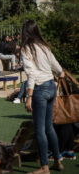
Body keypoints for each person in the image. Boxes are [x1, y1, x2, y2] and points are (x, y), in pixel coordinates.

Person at [21, 20, 64, 174]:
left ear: (24, 32)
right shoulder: (45, 47)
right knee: (49, 127)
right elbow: (57, 67)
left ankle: (45, 167)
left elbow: (31, 73)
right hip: (51, 87)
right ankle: (58, 161)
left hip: (40, 89)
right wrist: (60, 73)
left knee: (40, 130)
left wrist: (29, 96)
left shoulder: (26, 49)